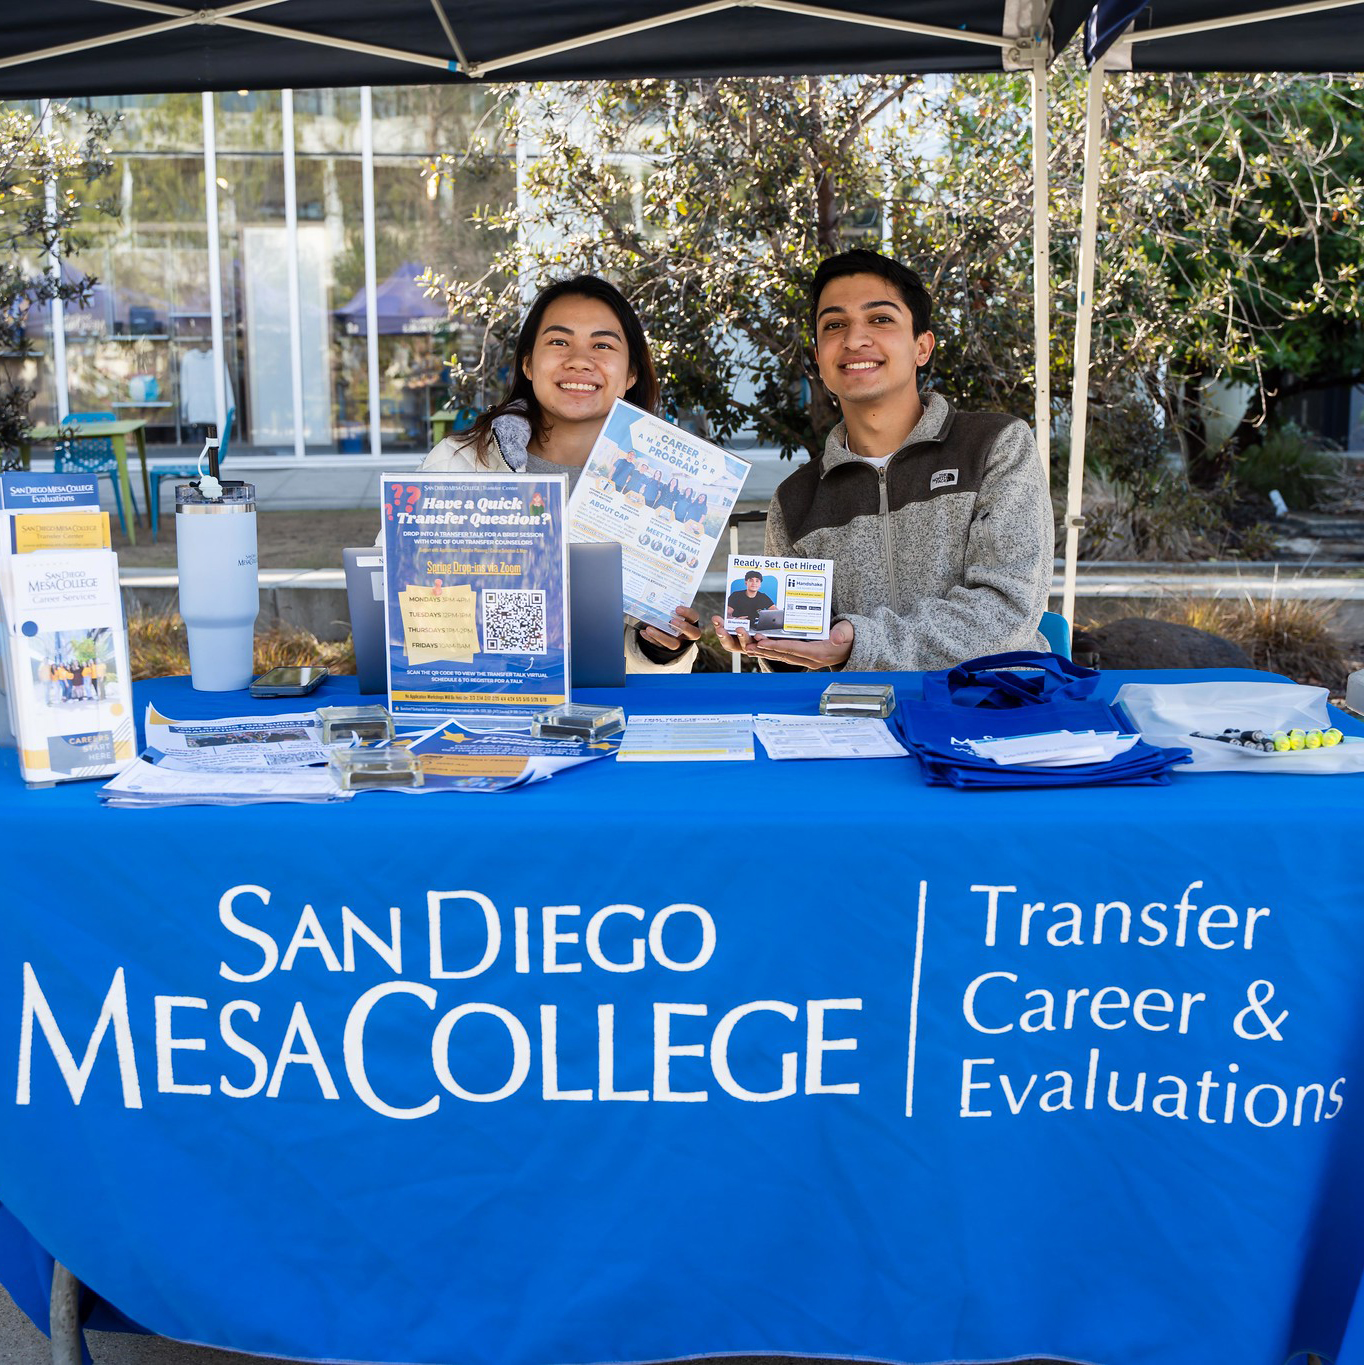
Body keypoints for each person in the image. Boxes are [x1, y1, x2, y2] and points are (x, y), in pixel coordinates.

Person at [713, 248, 1052, 672]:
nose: (854, 340)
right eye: (834, 325)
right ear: (819, 359)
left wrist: (860, 642)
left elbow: (1006, 610)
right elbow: (794, 657)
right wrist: (768, 645)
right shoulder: (795, 500)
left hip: (994, 708)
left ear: (922, 347)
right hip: (857, 723)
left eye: (880, 319)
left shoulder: (995, 445)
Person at [412, 276, 700, 672]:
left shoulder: (657, 487)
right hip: (488, 702)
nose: (580, 360)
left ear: (631, 373)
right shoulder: (458, 463)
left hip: (613, 716)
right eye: (559, 342)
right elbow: (402, 599)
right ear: (528, 363)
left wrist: (660, 649)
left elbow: (649, 662)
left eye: (602, 345)